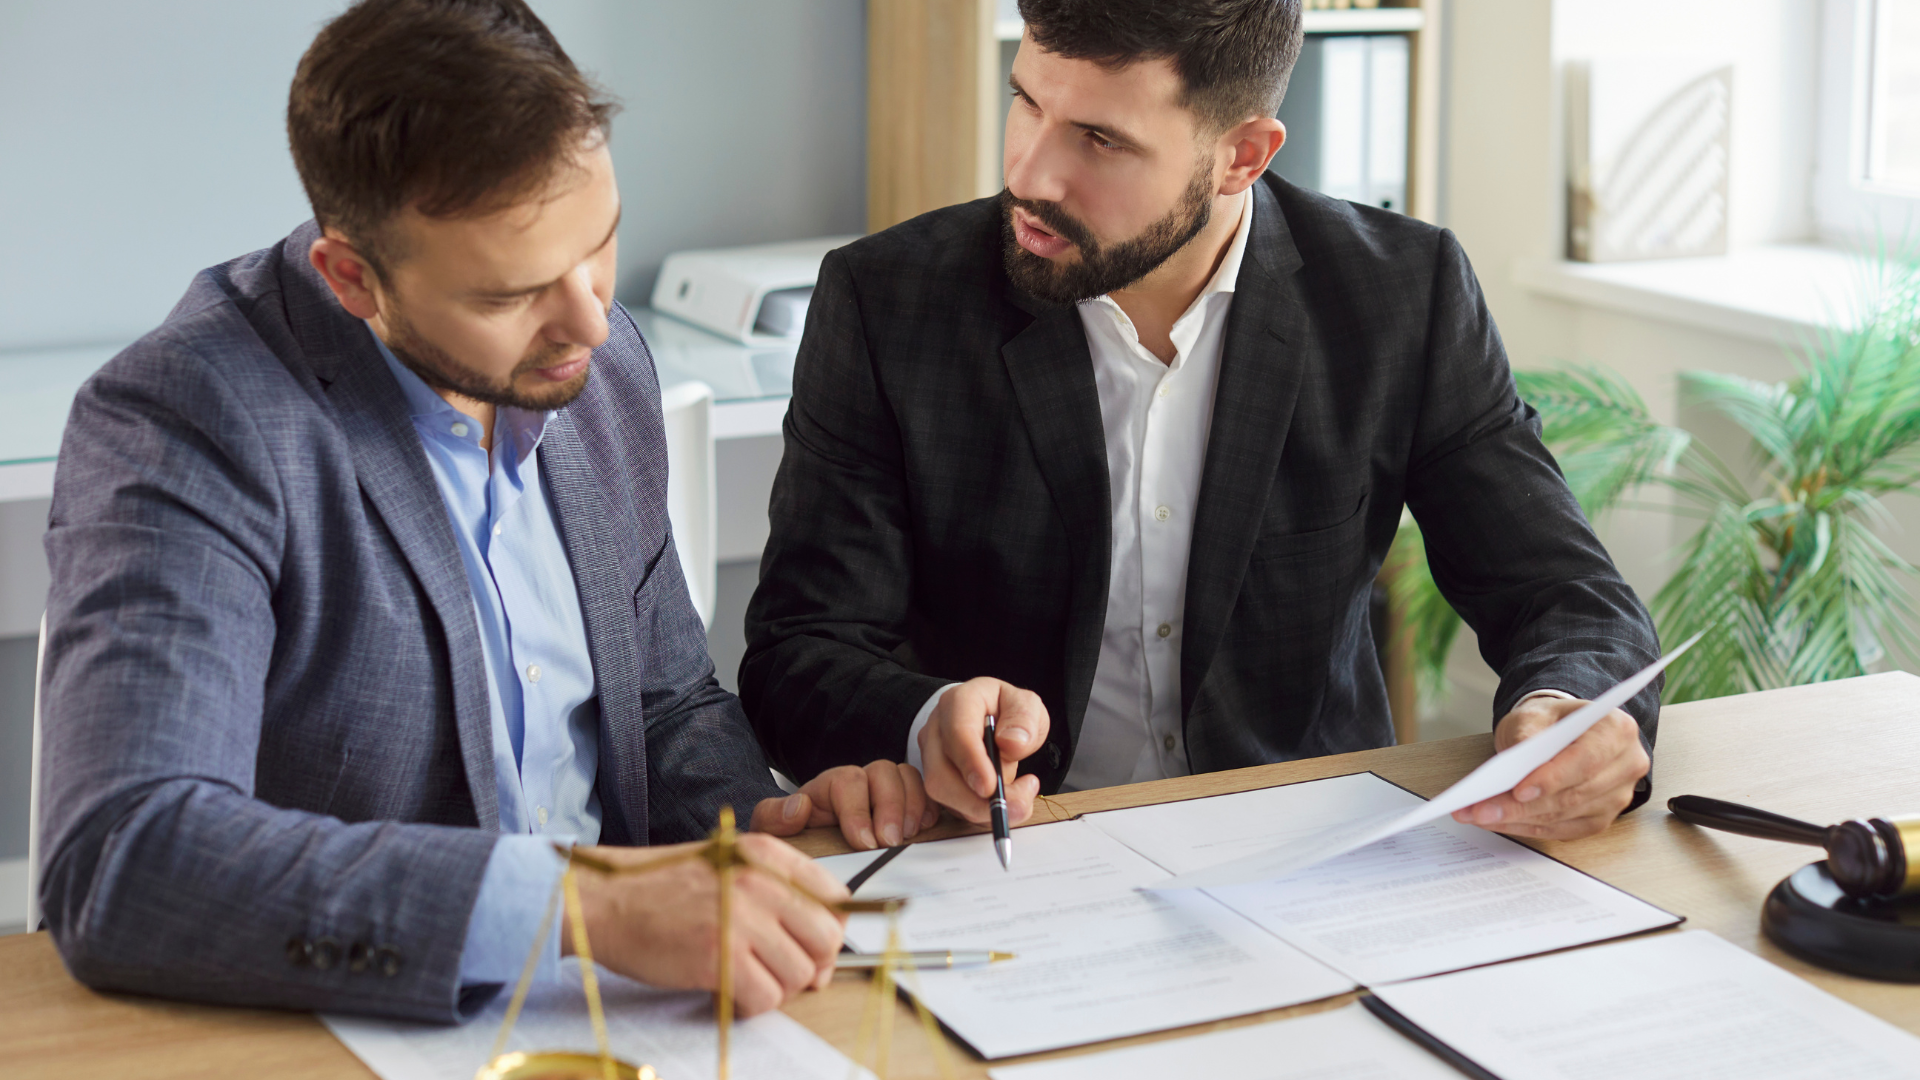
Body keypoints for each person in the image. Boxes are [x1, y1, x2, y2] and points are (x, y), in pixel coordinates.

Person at [35, 0, 928, 1023]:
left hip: (637, 1016)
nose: (591, 320)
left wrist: (758, 828)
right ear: (351, 278)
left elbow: (663, 703)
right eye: (510, 296)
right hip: (351, 1030)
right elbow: (124, 858)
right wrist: (588, 907)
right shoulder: (192, 418)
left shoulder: (599, 357)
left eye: (602, 243)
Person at [743, 0, 1660, 848]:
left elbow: (1563, 593)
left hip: (1308, 852)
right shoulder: (888, 301)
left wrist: (1569, 712)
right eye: (1027, 102)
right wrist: (921, 715)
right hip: (1016, 859)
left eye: (1099, 138)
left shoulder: (1399, 296)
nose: (1027, 173)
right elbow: (798, 652)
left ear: (1243, 155)